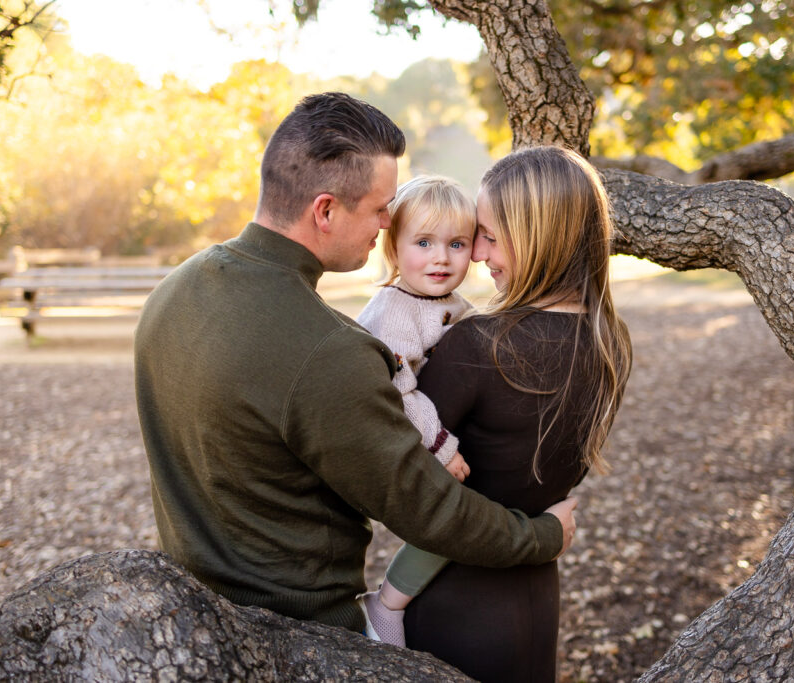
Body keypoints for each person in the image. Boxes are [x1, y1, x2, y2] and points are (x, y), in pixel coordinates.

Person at [134, 92, 578, 638]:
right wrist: (542, 538)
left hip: (194, 612)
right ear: (325, 210)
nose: (389, 221)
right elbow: (428, 509)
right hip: (302, 631)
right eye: (379, 207)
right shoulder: (328, 351)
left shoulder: (173, 291)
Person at [402, 146, 633, 682]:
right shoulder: (607, 342)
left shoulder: (480, 344)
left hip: (454, 600)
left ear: (538, 237)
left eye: (490, 235)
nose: (478, 254)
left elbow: (403, 479)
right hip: (536, 597)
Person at [355, 175, 476, 645]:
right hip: (382, 432)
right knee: (448, 512)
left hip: (411, 429)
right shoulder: (394, 310)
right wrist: (442, 447)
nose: (441, 257)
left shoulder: (445, 300)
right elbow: (398, 392)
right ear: (394, 248)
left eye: (457, 243)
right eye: (423, 242)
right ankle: (385, 605)